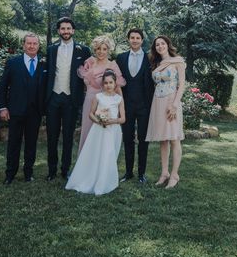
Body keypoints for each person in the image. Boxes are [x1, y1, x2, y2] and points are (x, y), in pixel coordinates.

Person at [45, 17, 91, 181]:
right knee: (52, 135)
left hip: (72, 99)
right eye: (62, 28)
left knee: (68, 136)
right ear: (59, 31)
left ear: (73, 30)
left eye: (68, 28)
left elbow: (89, 72)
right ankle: (51, 170)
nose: (65, 31)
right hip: (54, 98)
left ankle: (65, 170)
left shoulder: (83, 50)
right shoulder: (51, 49)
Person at [66, 70, 126, 195]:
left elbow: (123, 119)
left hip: (113, 130)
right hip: (99, 130)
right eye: (105, 83)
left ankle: (106, 180)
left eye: (111, 82)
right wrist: (99, 121)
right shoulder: (98, 97)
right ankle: (92, 178)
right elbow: (91, 114)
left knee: (110, 154)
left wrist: (111, 121)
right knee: (99, 153)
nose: (108, 85)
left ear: (115, 84)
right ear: (102, 85)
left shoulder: (119, 99)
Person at [0, 33, 47, 184]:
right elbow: (3, 87)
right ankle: (10, 174)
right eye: (29, 43)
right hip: (15, 110)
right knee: (14, 143)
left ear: (39, 46)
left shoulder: (44, 64)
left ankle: (28, 173)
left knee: (31, 144)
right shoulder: (13, 63)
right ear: (24, 45)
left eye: (35, 44)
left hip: (35, 112)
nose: (32, 46)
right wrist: (2, 107)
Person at [145, 36, 186, 189]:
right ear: (155, 48)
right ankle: (164, 173)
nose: (160, 46)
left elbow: (182, 84)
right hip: (158, 102)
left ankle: (175, 175)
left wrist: (175, 104)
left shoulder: (178, 61)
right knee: (163, 139)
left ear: (168, 45)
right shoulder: (156, 64)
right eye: (157, 44)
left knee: (174, 138)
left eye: (162, 43)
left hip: (171, 101)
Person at [116, 28, 154, 184]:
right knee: (128, 139)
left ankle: (141, 174)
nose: (135, 40)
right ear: (128, 39)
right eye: (132, 37)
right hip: (126, 106)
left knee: (144, 140)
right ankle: (129, 172)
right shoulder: (121, 58)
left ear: (142, 40)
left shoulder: (150, 58)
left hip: (144, 106)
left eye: (138, 37)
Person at [77, 35, 125, 152]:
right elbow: (84, 84)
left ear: (108, 50)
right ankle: (85, 164)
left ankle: (101, 164)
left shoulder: (112, 65)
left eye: (104, 49)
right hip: (89, 101)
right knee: (87, 131)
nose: (101, 52)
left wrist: (120, 107)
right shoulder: (89, 62)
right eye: (98, 48)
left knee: (102, 134)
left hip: (105, 103)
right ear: (94, 49)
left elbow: (118, 88)